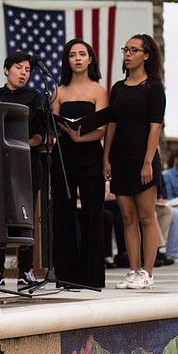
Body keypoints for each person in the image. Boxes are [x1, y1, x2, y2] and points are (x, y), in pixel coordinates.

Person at [103, 34, 165, 290]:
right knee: (127, 217)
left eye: (133, 50)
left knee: (146, 216)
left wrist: (148, 162)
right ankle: (133, 269)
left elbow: (155, 128)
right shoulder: (118, 88)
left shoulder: (154, 87)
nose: (127, 54)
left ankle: (147, 272)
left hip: (144, 159)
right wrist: (106, 158)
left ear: (146, 55)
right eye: (125, 49)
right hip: (120, 158)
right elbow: (112, 124)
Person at [0, 51, 45, 289]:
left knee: (25, 215)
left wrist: (24, 144)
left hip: (26, 163)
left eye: (28, 70)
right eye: (19, 68)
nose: (24, 73)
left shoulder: (35, 97)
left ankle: (25, 270)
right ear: (7, 69)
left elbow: (41, 134)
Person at [50, 39, 108, 289]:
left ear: (90, 59)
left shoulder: (99, 90)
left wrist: (80, 136)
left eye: (82, 54)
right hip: (63, 154)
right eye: (72, 54)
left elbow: (104, 127)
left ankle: (91, 276)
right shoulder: (59, 91)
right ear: (67, 61)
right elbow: (52, 124)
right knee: (63, 214)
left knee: (93, 215)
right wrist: (65, 133)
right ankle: (67, 275)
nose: (77, 58)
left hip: (91, 154)